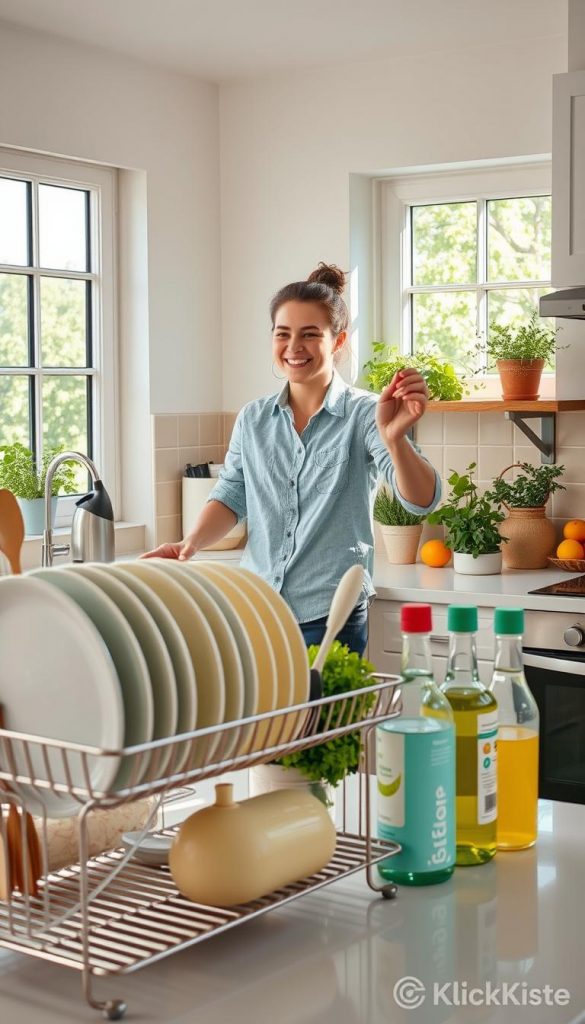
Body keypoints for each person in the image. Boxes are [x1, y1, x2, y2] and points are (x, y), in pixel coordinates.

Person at [143, 262, 441, 656]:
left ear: (338, 341)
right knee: (264, 719)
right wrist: (189, 544)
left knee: (325, 720)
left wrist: (395, 438)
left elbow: (420, 501)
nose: (293, 347)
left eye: (310, 335)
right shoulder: (253, 418)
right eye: (282, 334)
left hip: (330, 613)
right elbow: (233, 495)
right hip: (256, 607)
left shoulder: (367, 414)